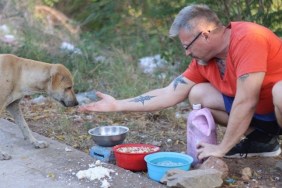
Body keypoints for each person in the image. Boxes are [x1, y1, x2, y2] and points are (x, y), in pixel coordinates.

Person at [79, 4, 282, 160]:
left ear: (205, 35)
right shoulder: (203, 60)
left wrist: (222, 148)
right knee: (198, 94)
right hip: (263, 116)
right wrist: (117, 104)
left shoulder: (249, 38)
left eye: (188, 46)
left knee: (280, 92)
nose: (187, 53)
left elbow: (247, 101)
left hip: (275, 106)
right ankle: (262, 142)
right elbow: (170, 93)